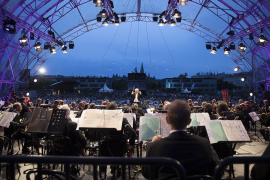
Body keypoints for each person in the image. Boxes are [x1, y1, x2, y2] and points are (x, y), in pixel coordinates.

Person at [142, 100, 220, 179]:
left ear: (167, 120)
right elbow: (217, 170)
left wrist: (151, 146)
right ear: (189, 121)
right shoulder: (204, 144)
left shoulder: (156, 146)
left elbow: (147, 174)